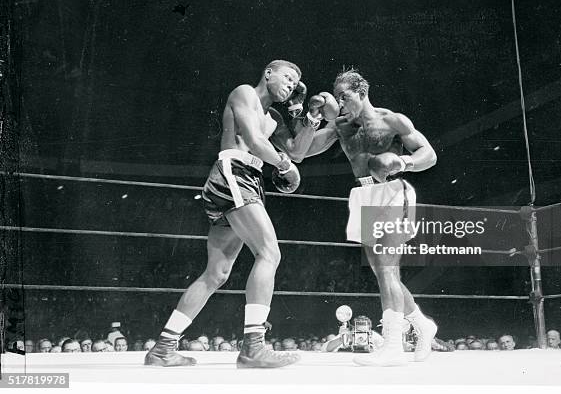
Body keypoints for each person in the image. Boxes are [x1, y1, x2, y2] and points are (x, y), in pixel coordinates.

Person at [145, 60, 338, 369]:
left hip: (245, 181)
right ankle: (253, 347)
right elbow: (254, 140)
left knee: (216, 274)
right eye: (287, 77)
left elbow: (298, 151)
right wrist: (285, 166)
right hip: (234, 172)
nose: (290, 85)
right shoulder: (244, 93)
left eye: (295, 82)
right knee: (269, 253)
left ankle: (163, 348)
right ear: (269, 73)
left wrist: (312, 120)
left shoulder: (273, 116)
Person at [303, 68, 438, 366]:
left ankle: (393, 345)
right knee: (381, 271)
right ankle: (421, 324)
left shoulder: (392, 120)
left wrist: (402, 160)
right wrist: (313, 118)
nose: (339, 103)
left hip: (392, 190)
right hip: (364, 196)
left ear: (361, 93)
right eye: (336, 97)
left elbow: (429, 154)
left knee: (388, 270)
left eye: (345, 96)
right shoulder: (340, 126)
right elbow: (303, 151)